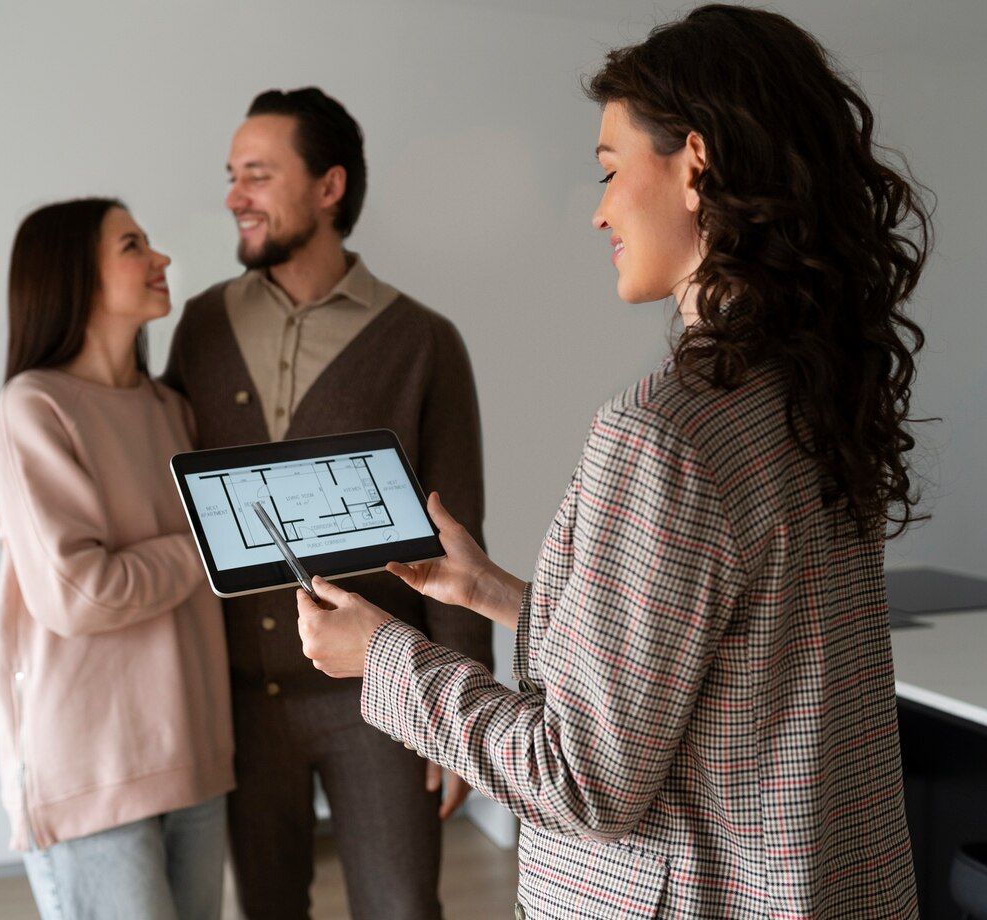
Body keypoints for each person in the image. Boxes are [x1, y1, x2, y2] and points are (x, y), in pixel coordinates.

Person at [296, 6, 931, 918]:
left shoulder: (665, 431)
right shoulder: (813, 389)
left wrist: (382, 657)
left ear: (696, 162)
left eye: (609, 169)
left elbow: (582, 780)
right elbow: (715, 654)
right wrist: (499, 594)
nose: (597, 211)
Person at [162, 87, 491, 919]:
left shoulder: (422, 341)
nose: (235, 196)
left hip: (378, 700)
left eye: (259, 175)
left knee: (400, 907)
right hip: (239, 701)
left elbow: (462, 539)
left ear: (329, 187)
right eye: (233, 175)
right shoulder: (200, 327)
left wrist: (461, 715)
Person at [0, 198, 234, 920]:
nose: (161, 260)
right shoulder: (32, 410)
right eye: (133, 246)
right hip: (91, 777)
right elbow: (79, 594)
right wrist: (212, 549)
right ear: (76, 280)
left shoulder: (170, 411)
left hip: (195, 761)